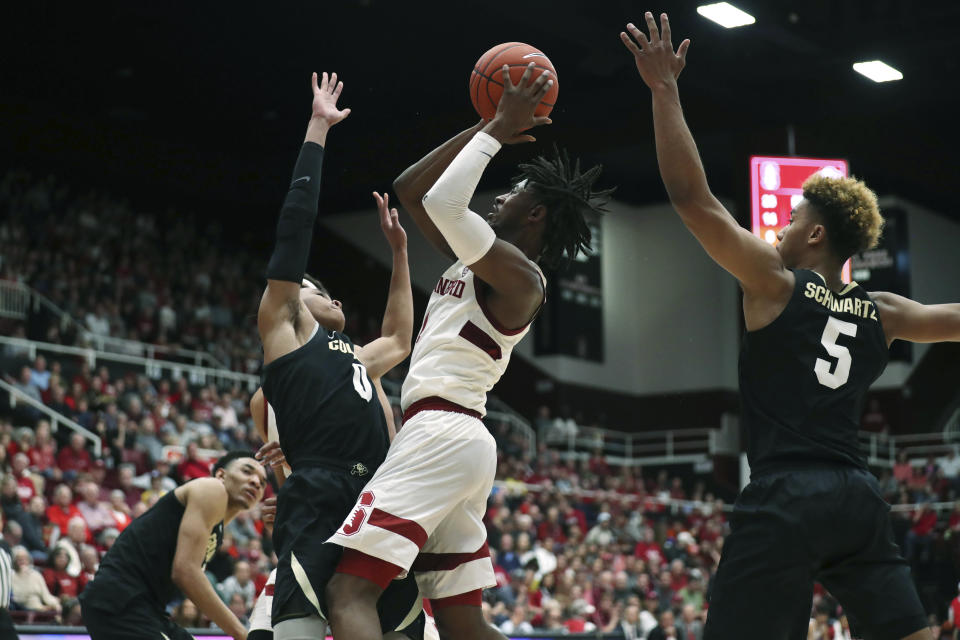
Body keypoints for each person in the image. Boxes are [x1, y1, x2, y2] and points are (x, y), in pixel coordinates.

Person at [621, 11, 960, 640]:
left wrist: (664, 91)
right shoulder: (885, 312)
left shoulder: (775, 283)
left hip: (786, 494)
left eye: (789, 218)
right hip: (857, 496)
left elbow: (694, 201)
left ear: (816, 233)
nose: (776, 230)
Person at [326, 62, 611, 640]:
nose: (498, 195)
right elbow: (414, 191)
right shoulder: (475, 256)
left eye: (512, 193)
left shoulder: (522, 278)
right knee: (462, 624)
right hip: (456, 440)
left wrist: (496, 134)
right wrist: (485, 122)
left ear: (534, 214)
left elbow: (449, 204)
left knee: (348, 591)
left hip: (442, 433)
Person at [256, 71, 419, 640]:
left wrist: (400, 254)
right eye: (316, 289)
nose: (332, 297)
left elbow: (400, 338)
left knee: (400, 621)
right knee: (299, 621)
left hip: (375, 490)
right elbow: (294, 230)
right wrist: (317, 128)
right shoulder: (285, 329)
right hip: (319, 489)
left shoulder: (355, 355)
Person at [79, 451, 267, 640]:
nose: (256, 482)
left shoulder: (216, 532)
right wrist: (243, 633)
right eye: (247, 471)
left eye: (262, 481)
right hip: (119, 598)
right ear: (221, 475)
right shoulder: (212, 488)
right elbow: (185, 572)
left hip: (148, 608)